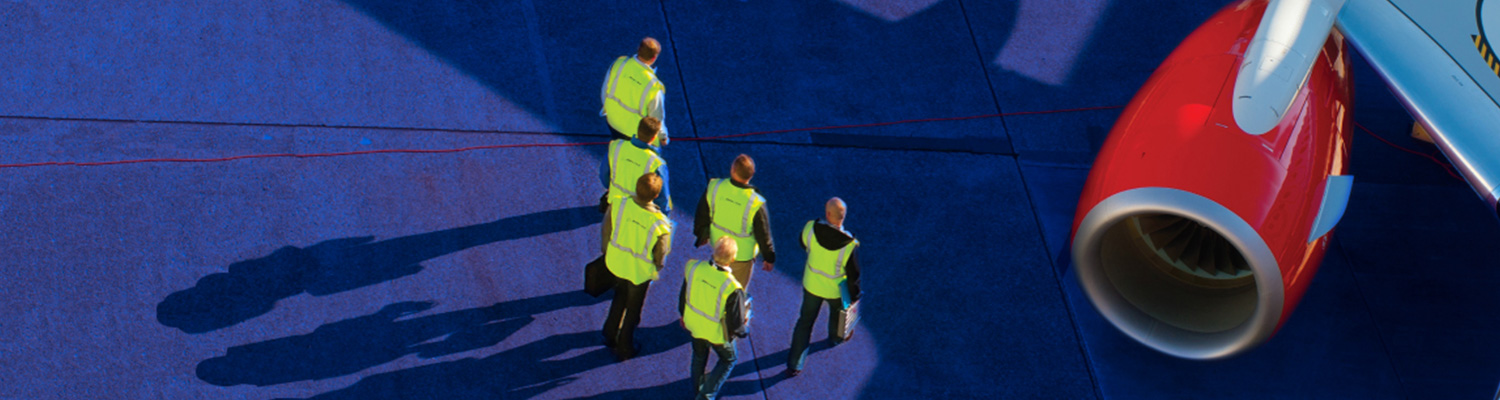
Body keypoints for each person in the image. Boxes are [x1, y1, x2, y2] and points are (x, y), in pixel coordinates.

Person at [786, 197, 862, 377]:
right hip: (835, 290)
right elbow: (854, 276)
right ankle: (836, 337)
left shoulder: (810, 228)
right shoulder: (850, 245)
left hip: (811, 284)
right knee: (837, 315)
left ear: (828, 214)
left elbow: (802, 243)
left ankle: (795, 363)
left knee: (805, 321)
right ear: (843, 217)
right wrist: (854, 296)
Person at [601, 173, 673, 361]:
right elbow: (661, 253)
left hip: (617, 262)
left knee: (619, 295)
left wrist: (608, 251)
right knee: (633, 309)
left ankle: (610, 332)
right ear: (656, 195)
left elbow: (607, 229)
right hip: (639, 271)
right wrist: (656, 269)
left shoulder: (619, 204)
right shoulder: (660, 224)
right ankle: (625, 346)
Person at [678, 237, 749, 400]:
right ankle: (705, 396)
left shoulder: (694, 267)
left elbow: (683, 295)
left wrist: (683, 315)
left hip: (694, 324)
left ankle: (697, 390)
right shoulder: (732, 287)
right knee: (729, 359)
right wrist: (744, 329)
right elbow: (736, 324)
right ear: (733, 259)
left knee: (698, 356)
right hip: (716, 333)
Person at [693, 154, 775, 288]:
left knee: (716, 283)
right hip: (741, 255)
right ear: (752, 174)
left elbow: (702, 213)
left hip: (718, 246)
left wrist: (701, 233)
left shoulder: (715, 186)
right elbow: (763, 233)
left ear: (733, 170)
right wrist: (769, 257)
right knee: (735, 290)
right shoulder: (755, 202)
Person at [601, 37, 669, 147]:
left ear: (638, 49)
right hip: (634, 131)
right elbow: (656, 118)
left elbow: (605, 89)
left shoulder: (620, 63)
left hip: (612, 120)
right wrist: (663, 137)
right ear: (654, 58)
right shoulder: (654, 86)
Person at [598, 116, 671, 214]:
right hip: (637, 211)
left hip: (614, 202)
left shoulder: (616, 146)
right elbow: (662, 197)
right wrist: (664, 215)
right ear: (654, 137)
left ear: (637, 130)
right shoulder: (657, 163)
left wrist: (610, 188)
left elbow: (604, 173)